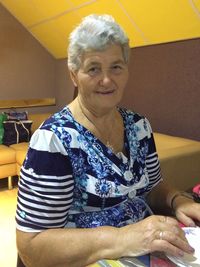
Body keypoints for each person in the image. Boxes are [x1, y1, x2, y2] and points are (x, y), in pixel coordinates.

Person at [16, 14, 200, 267]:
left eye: (116, 66)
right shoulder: (53, 141)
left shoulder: (139, 127)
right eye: (93, 68)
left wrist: (178, 201)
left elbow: (153, 188)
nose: (106, 80)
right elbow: (32, 248)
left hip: (145, 252)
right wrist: (123, 237)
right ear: (73, 75)